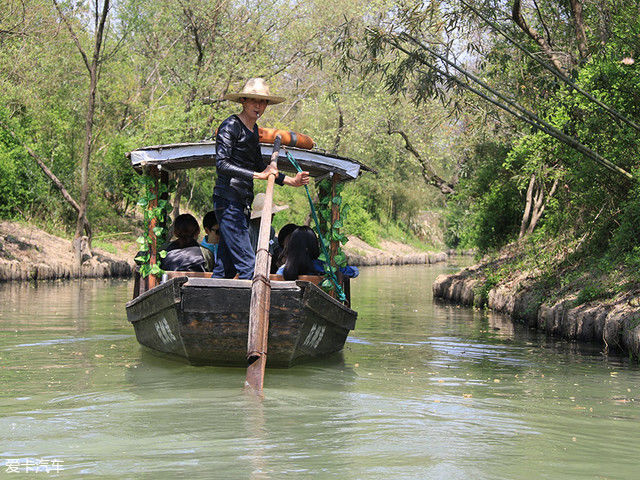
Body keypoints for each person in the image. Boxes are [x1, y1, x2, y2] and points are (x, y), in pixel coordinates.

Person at [212, 77, 309, 279]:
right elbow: (222, 164)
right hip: (228, 202)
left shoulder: (253, 130)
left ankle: (203, 307)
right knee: (249, 267)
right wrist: (258, 175)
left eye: (263, 102)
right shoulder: (230, 126)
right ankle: (253, 308)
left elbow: (260, 165)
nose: (259, 106)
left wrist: (292, 180)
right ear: (244, 101)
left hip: (242, 202)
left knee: (225, 268)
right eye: (254, 101)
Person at [276, 226, 359, 280]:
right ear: (314, 245)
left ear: (292, 247)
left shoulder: (283, 270)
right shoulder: (323, 267)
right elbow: (355, 271)